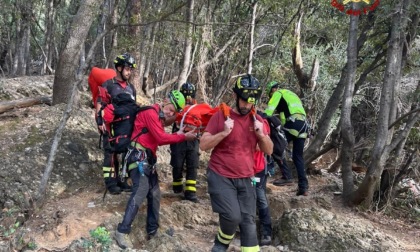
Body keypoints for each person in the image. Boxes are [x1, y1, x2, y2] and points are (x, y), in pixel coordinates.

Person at [115, 90, 197, 249]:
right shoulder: (150, 113)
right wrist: (182, 136)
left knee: (155, 194)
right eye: (170, 109)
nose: (170, 113)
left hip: (146, 160)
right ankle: (122, 231)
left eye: (173, 112)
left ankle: (153, 231)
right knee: (141, 190)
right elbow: (161, 138)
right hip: (138, 157)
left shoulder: (157, 117)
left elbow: (158, 137)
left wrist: (180, 130)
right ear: (165, 100)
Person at [200, 74, 273, 252]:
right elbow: (203, 145)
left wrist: (261, 135)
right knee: (232, 217)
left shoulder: (258, 120)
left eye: (251, 102)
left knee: (248, 221)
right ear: (235, 96)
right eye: (244, 101)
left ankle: (227, 245)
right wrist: (224, 133)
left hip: (247, 177)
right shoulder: (221, 116)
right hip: (220, 175)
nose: (247, 106)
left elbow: (269, 150)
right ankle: (221, 243)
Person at [96, 53, 137, 195]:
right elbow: (100, 104)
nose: (129, 71)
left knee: (126, 152)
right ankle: (111, 183)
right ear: (119, 68)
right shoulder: (109, 85)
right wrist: (99, 121)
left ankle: (122, 180)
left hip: (127, 126)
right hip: (111, 125)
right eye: (127, 68)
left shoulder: (131, 88)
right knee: (111, 153)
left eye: (131, 69)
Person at [264, 81, 309, 196]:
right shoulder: (291, 95)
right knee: (298, 156)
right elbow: (283, 120)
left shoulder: (277, 93)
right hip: (304, 125)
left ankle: (287, 176)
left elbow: (268, 112)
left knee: (275, 147)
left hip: (293, 123)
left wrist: (260, 117)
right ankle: (303, 187)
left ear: (271, 90)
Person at [170, 82, 200, 202]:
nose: (188, 99)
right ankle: (177, 185)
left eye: (190, 96)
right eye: (185, 95)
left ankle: (190, 192)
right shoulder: (177, 106)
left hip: (193, 139)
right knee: (177, 163)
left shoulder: (198, 108)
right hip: (179, 137)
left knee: (192, 164)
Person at [253, 110, 273, 246]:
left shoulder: (260, 122)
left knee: (260, 198)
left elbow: (264, 146)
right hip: (242, 170)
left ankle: (266, 232)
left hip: (257, 169)